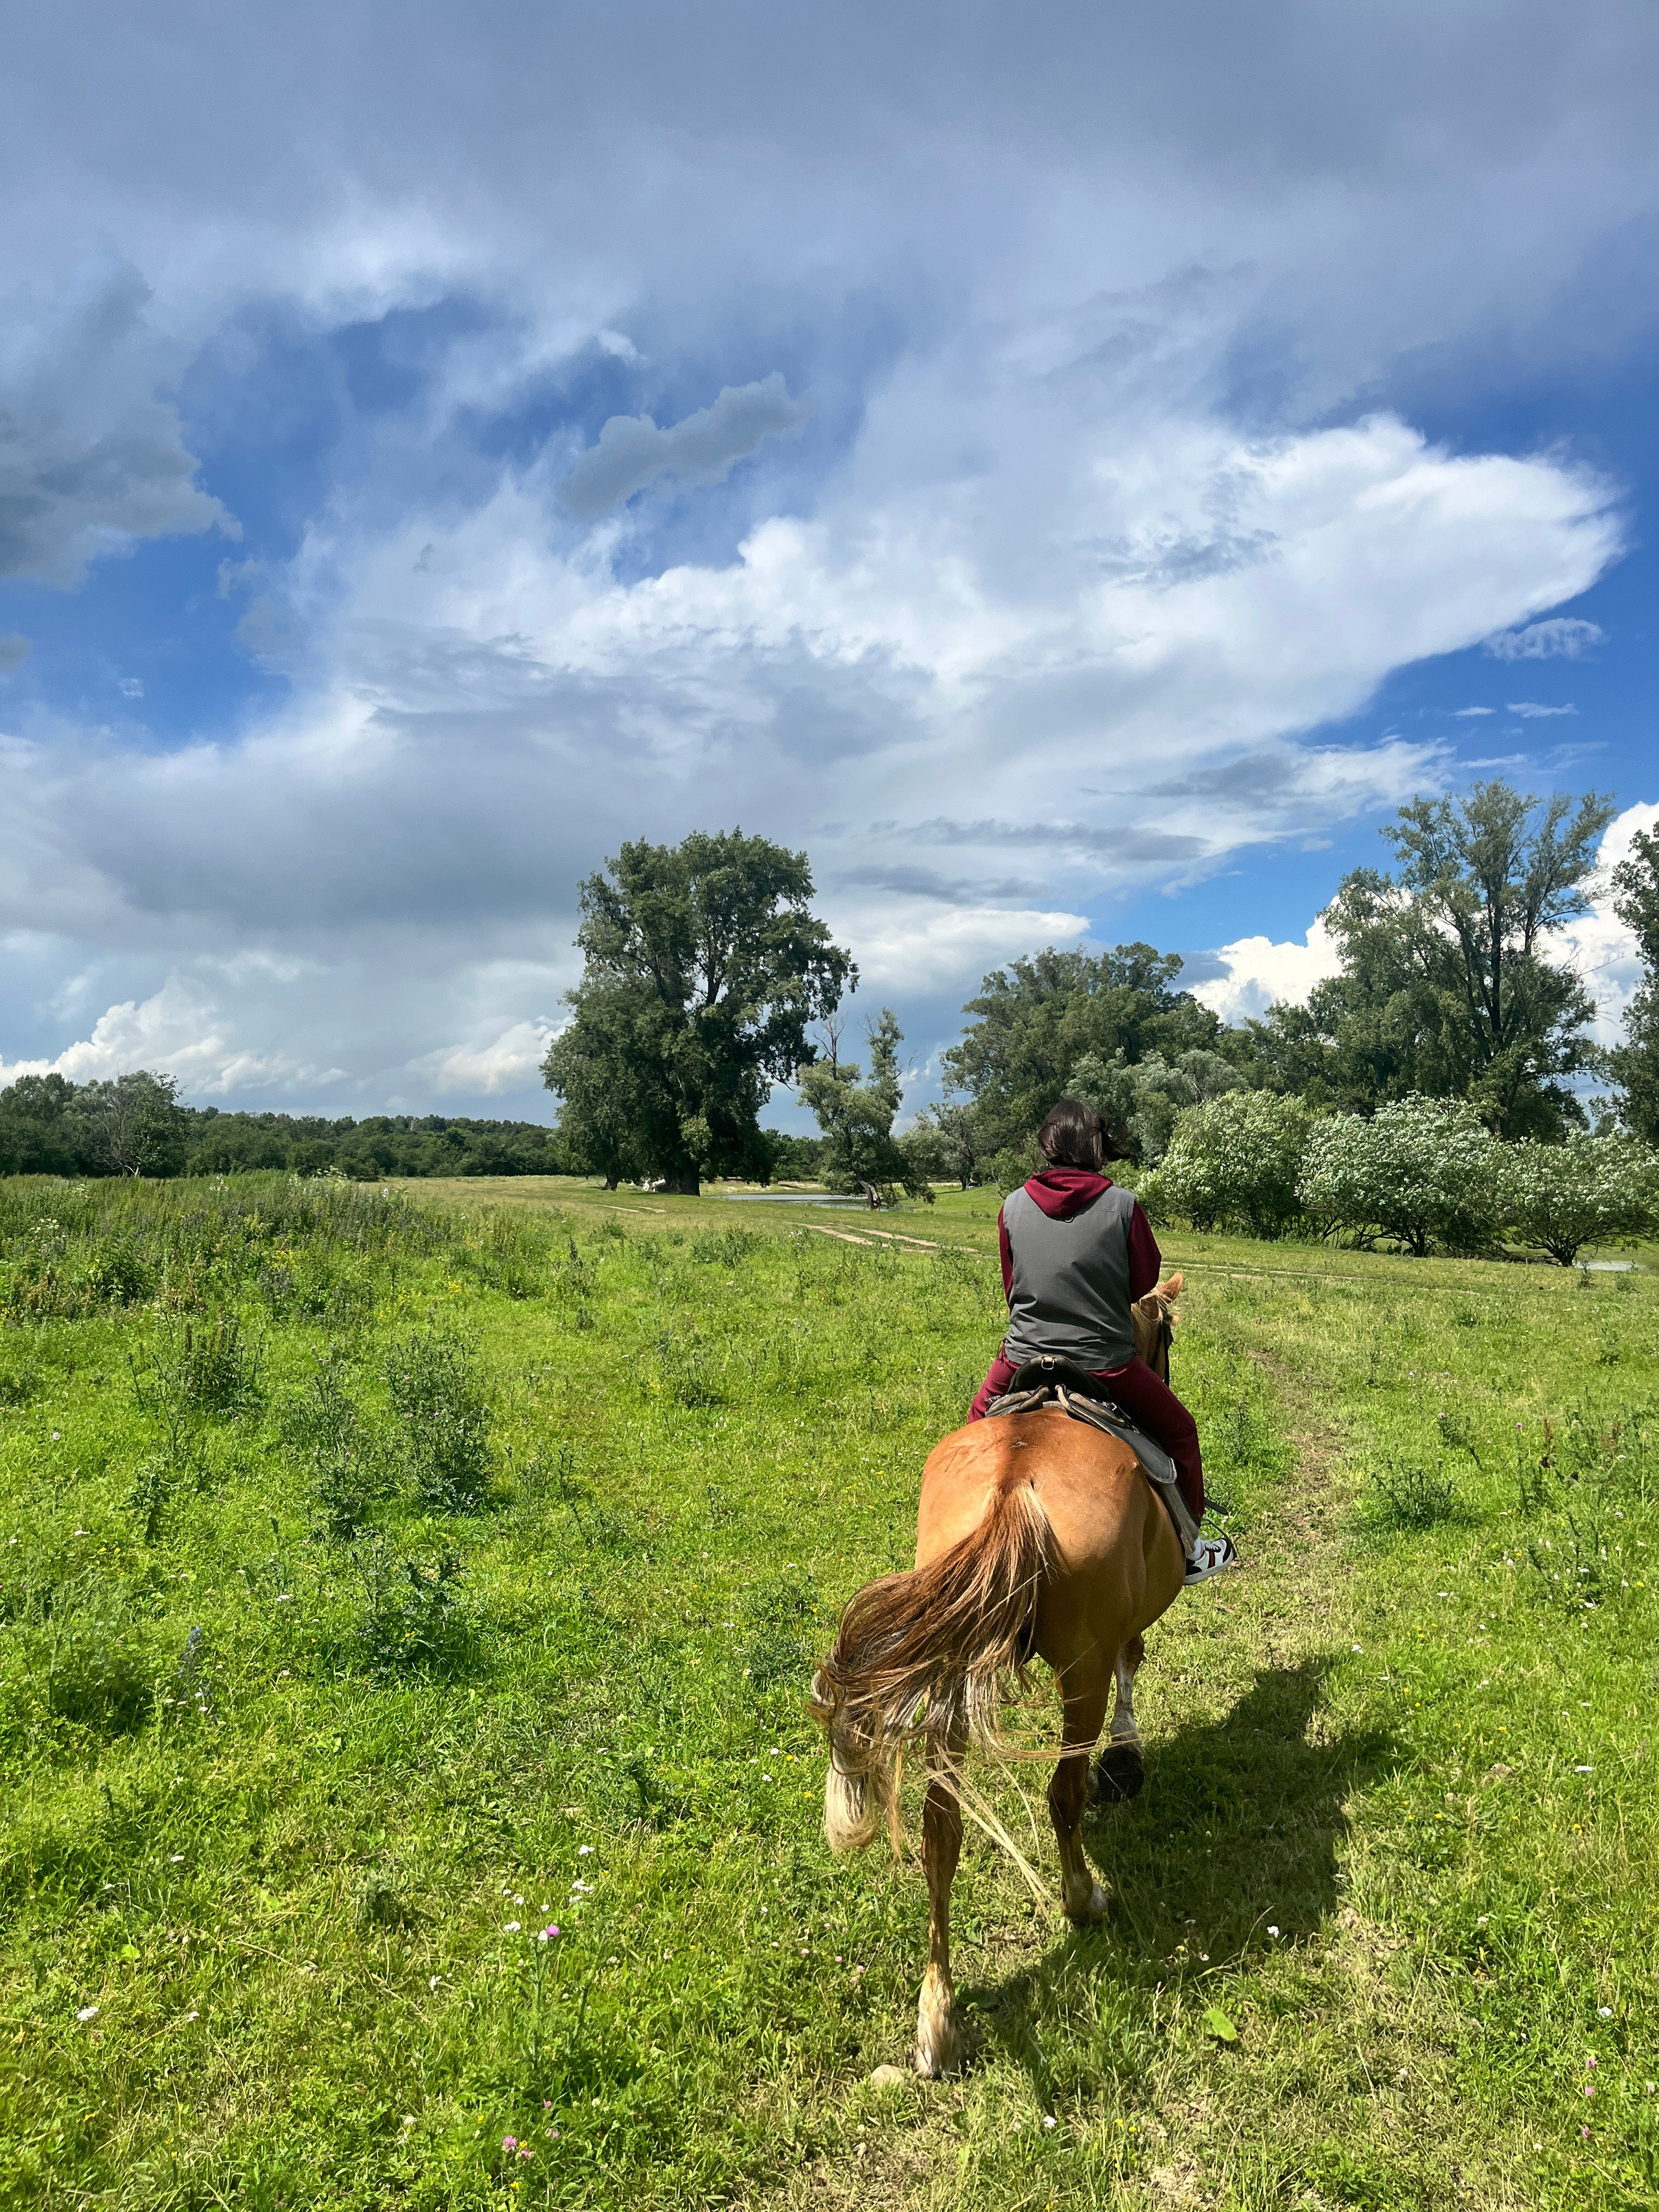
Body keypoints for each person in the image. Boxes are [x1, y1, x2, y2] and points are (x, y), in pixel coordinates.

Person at [969, 1096, 1237, 1584]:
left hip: (1022, 1355)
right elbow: (1141, 1284)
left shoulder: (1011, 1207)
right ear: (1095, 1147)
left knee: (971, 1431)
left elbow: (1013, 1289)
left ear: (1047, 1144)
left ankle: (965, 1530)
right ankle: (1194, 1548)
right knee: (1181, 1431)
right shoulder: (1123, 1206)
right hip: (1105, 1362)